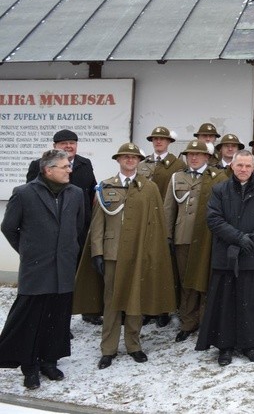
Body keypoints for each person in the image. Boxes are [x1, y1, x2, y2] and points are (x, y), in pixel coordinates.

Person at [72, 143, 176, 369]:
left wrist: (152, 253)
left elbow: (156, 225)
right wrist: (97, 252)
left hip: (139, 253)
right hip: (113, 253)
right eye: (125, 157)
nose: (130, 160)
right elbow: (97, 223)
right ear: (118, 160)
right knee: (111, 301)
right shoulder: (106, 186)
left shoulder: (149, 188)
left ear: (139, 161)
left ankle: (133, 345)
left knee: (135, 300)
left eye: (134, 157)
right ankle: (108, 348)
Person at [1, 150, 85, 389]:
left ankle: (49, 360)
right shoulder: (24, 193)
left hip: (64, 268)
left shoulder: (76, 193)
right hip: (36, 270)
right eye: (64, 167)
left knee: (57, 318)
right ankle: (29, 367)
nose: (69, 170)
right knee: (31, 319)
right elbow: (9, 228)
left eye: (69, 166)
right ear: (48, 170)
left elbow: (78, 227)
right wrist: (29, 253)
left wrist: (67, 252)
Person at [196, 150, 254, 365]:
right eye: (240, 165)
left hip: (252, 255)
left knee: (249, 302)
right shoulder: (219, 190)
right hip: (226, 256)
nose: (243, 170)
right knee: (225, 303)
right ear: (232, 166)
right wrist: (238, 237)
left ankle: (249, 345)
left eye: (248, 166)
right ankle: (225, 347)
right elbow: (214, 219)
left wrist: (252, 240)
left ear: (253, 168)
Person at [26, 129, 100, 325]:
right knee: (59, 278)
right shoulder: (39, 166)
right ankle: (59, 322)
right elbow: (33, 197)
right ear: (54, 146)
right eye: (64, 143)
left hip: (82, 227)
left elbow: (92, 190)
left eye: (72, 143)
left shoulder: (85, 163)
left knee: (85, 271)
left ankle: (88, 310)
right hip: (56, 232)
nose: (69, 146)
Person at [164, 140, 227, 343]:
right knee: (186, 281)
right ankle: (188, 321)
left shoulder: (218, 177)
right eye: (190, 154)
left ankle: (206, 321)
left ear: (207, 157)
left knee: (207, 280)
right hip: (184, 237)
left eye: (198, 154)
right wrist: (168, 236)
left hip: (208, 238)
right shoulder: (177, 177)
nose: (193, 157)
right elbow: (168, 210)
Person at [136, 125, 185, 328]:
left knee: (166, 268)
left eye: (162, 139)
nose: (158, 142)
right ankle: (148, 309)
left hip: (165, 221)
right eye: (155, 139)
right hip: (144, 221)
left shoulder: (177, 165)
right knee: (146, 266)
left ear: (169, 142)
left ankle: (164, 309)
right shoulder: (143, 164)